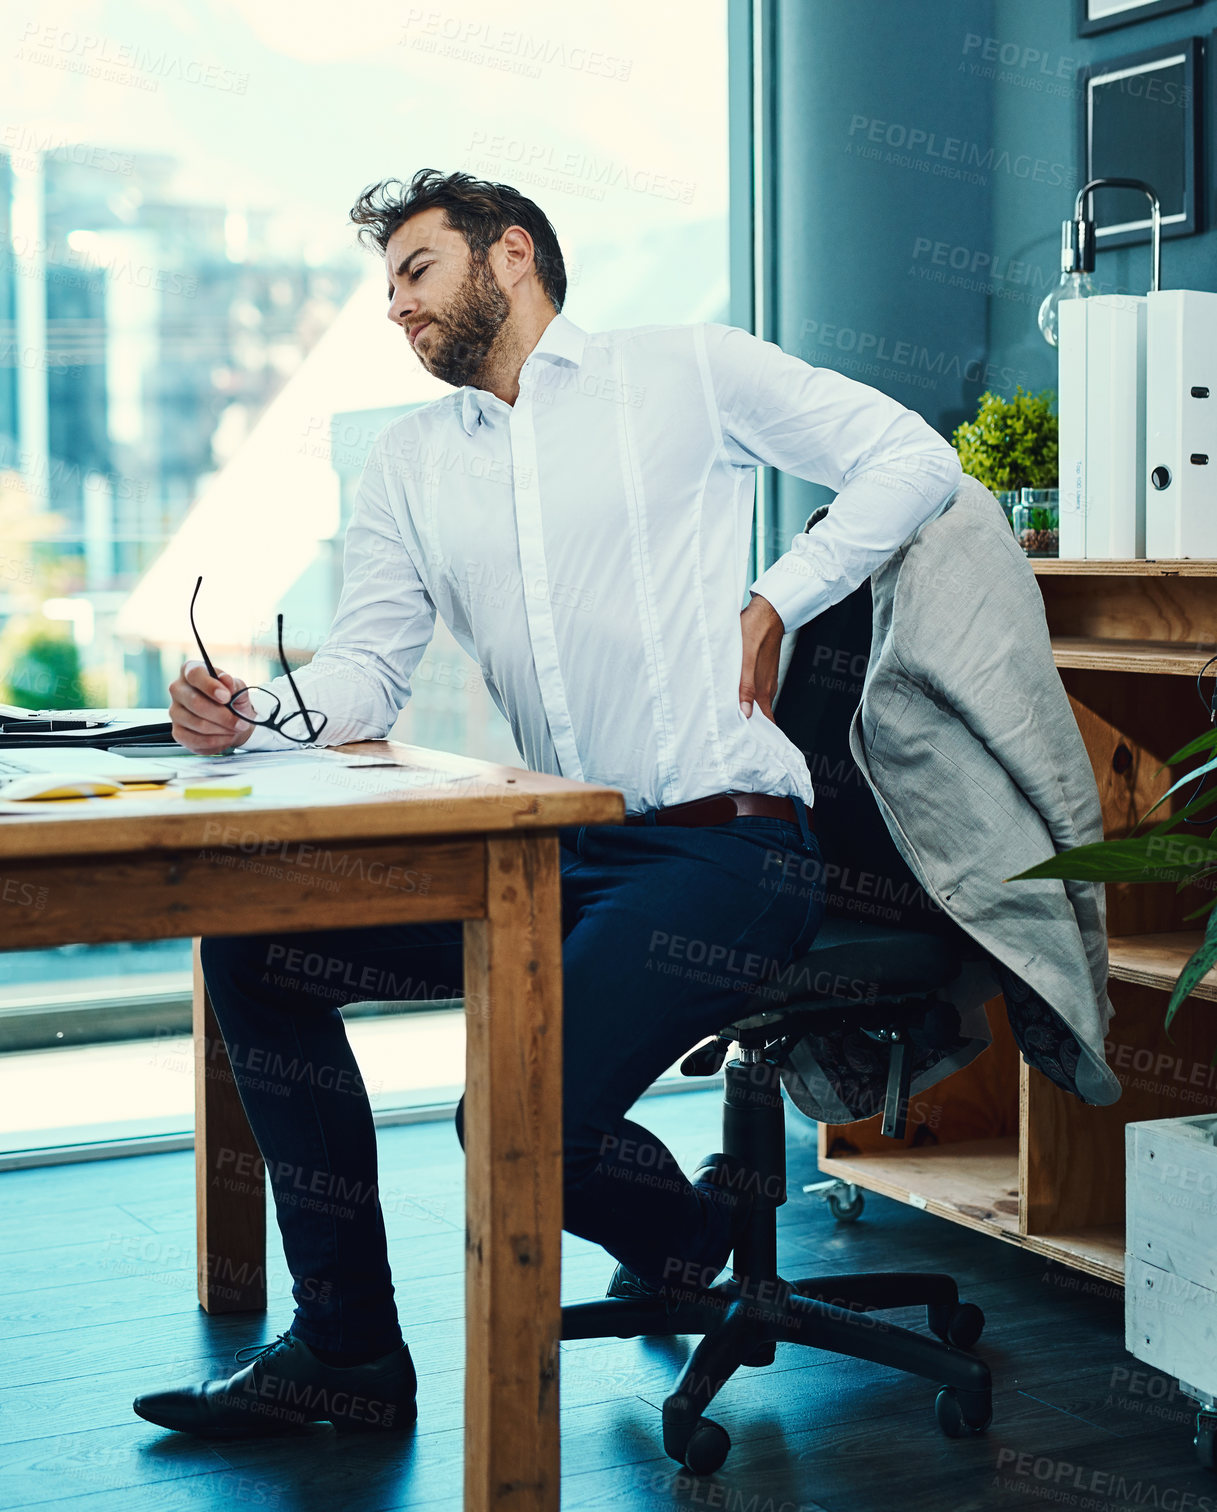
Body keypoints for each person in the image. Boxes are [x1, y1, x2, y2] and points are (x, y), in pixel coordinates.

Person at [134, 168, 960, 1437]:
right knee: (257, 951)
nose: (395, 311)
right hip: (555, 853)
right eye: (388, 287)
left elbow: (910, 457)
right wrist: (256, 706)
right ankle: (348, 1350)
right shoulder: (408, 461)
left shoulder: (685, 370)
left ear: (509, 254)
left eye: (414, 272)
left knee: (511, 1115)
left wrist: (774, 598)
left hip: (728, 848)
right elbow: (370, 671)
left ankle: (684, 1234)